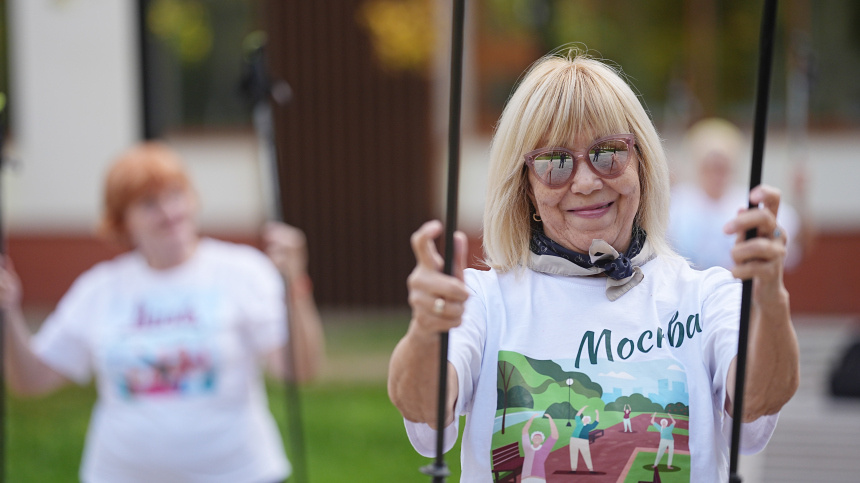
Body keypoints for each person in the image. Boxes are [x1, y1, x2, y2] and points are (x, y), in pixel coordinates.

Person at [387, 49, 799, 482]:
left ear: (641, 164)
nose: (585, 182)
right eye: (554, 163)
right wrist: (426, 329)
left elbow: (758, 399)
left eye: (608, 153)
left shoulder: (706, 295)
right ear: (525, 188)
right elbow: (424, 409)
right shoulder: (482, 302)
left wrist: (771, 298)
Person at [1, 142, 325, 483]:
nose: (169, 212)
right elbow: (30, 381)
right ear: (122, 221)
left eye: (175, 195)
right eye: (149, 204)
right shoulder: (99, 289)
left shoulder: (242, 271)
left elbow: (300, 369)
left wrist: (294, 288)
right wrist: (7, 313)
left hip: (241, 473)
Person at [668, 117, 806, 270]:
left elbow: (796, 242)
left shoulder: (753, 202)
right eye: (710, 166)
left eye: (722, 167)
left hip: (738, 291)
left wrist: (799, 197)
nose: (716, 175)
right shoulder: (677, 202)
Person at [521, 414, 558, 483]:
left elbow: (555, 436)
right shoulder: (527, 448)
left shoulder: (544, 449)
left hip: (539, 477)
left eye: (539, 437)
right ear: (532, 439)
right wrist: (531, 418)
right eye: (535, 437)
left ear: (542, 440)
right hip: (526, 478)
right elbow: (524, 431)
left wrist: (550, 419)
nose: (537, 438)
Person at [569, 406, 599, 473]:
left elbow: (596, 422)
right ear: (583, 419)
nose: (586, 420)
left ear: (589, 421)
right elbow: (577, 415)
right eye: (585, 418)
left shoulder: (589, 426)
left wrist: (597, 414)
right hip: (574, 439)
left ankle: (590, 469)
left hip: (583, 441)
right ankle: (573, 469)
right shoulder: (579, 423)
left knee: (586, 454)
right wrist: (583, 408)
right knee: (573, 454)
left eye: (587, 419)